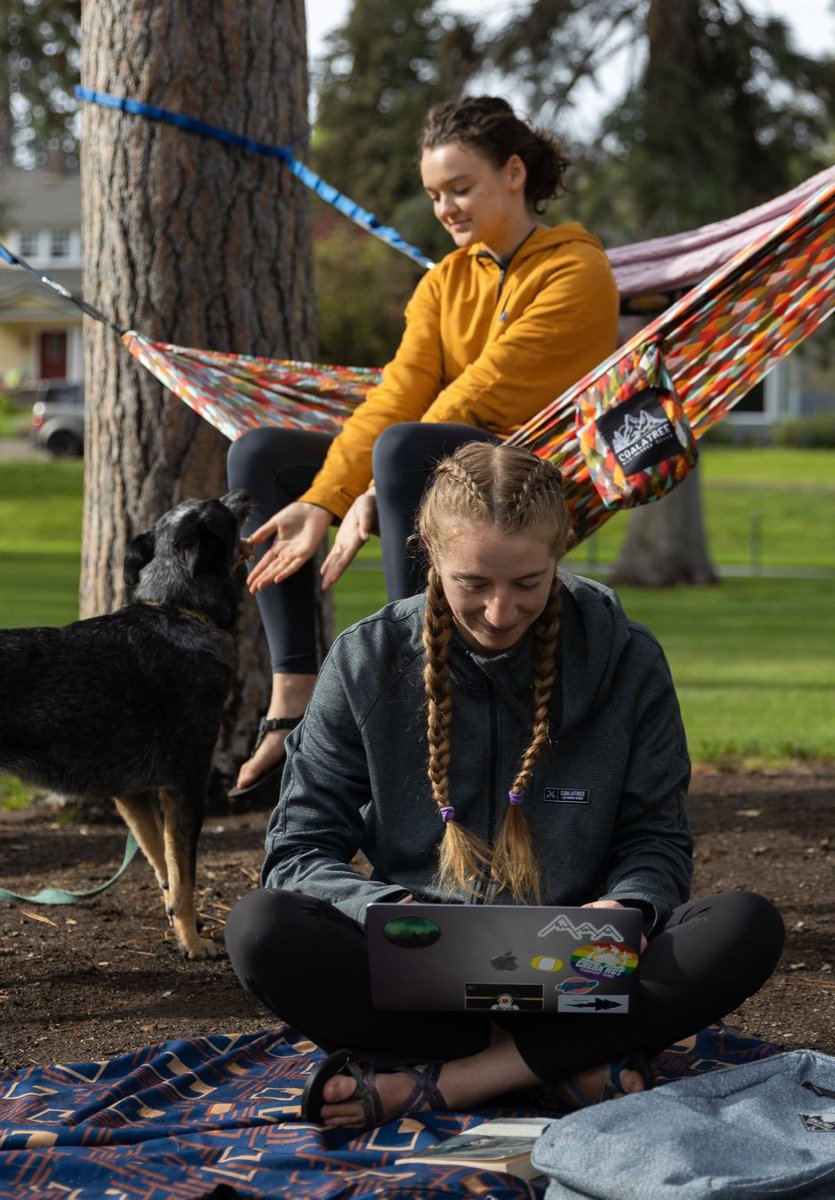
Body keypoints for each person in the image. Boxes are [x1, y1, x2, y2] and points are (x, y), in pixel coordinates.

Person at [225, 442, 785, 1130]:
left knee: (744, 927)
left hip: (579, 971)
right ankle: (559, 1067)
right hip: (417, 973)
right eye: (473, 584)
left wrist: (625, 909)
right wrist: (388, 907)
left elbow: (656, 839)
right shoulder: (366, 660)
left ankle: (445, 1084)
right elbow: (299, 852)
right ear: (428, 552)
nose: (498, 612)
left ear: (561, 552)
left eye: (527, 582)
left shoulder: (629, 660)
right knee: (260, 928)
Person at [225, 95, 621, 802]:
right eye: (436, 195)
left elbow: (480, 396)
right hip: (425, 457)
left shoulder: (575, 273)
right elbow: (396, 395)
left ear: (514, 174)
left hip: (524, 473)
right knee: (261, 456)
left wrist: (376, 486)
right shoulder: (445, 281)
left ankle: (420, 687)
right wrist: (322, 498)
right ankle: (294, 695)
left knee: (405, 447)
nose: (446, 209)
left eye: (460, 188)